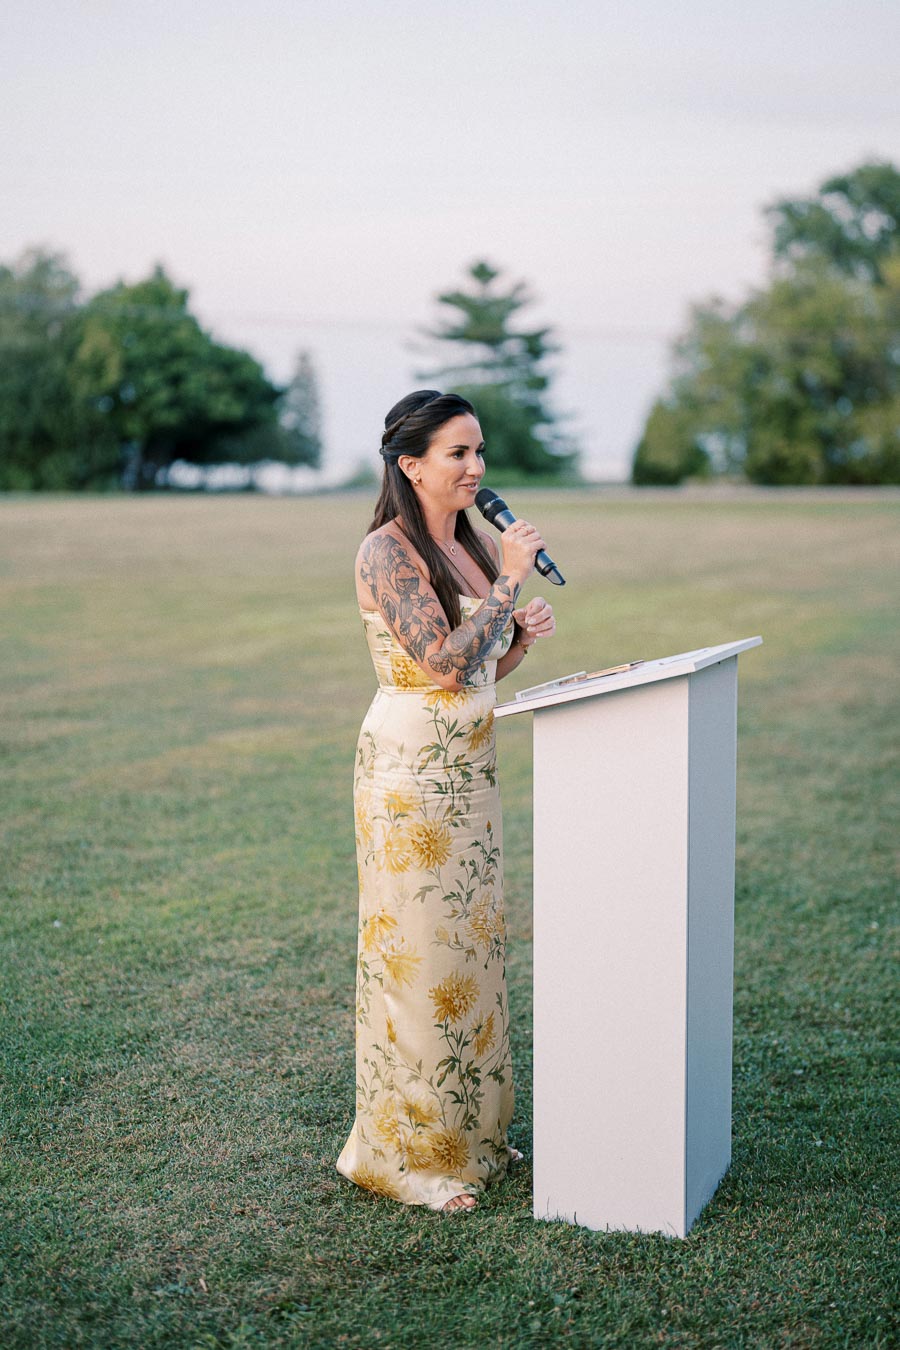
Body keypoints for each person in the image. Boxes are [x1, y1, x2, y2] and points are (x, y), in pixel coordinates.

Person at [335, 389, 557, 1214]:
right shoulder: (384, 552)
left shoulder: (464, 547)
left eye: (479, 451)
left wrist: (519, 637)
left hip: (469, 778)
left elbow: (476, 672)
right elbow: (436, 665)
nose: (477, 468)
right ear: (410, 463)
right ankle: (413, 1158)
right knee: (420, 961)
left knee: (471, 956)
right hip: (407, 781)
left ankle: (477, 1138)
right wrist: (506, 583)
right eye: (459, 453)